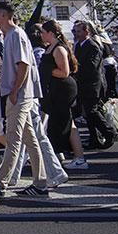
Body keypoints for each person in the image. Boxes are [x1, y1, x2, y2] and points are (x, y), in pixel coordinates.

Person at [0, 2, 49, 198]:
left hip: (20, 95)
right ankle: (40, 182)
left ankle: (1, 181)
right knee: (29, 139)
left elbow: (23, 65)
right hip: (21, 94)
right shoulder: (12, 36)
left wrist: (14, 91)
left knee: (14, 139)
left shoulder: (16, 35)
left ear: (5, 15)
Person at [39, 21, 82, 168]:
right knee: (65, 123)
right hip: (54, 89)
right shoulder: (49, 47)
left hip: (63, 89)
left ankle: (73, 157)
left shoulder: (59, 49)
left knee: (62, 123)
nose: (41, 35)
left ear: (50, 33)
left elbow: (64, 72)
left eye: (43, 32)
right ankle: (71, 155)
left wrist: (46, 71)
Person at [73, 20, 117, 150]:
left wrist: (76, 68)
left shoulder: (92, 45)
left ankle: (109, 132)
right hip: (83, 83)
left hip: (93, 83)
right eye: (75, 31)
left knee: (92, 111)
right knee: (88, 112)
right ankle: (94, 138)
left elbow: (92, 66)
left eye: (79, 31)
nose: (76, 33)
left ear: (87, 31)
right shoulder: (79, 45)